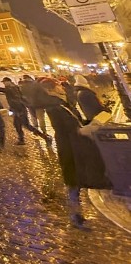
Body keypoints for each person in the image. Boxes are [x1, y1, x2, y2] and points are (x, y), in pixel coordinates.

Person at [40, 78, 111, 228]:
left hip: (75, 147)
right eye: (58, 85)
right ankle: (75, 216)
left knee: (76, 180)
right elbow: (68, 129)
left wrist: (88, 124)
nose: (62, 87)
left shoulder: (61, 103)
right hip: (70, 149)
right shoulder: (53, 107)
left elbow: (76, 123)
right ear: (51, 89)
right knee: (73, 182)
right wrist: (90, 127)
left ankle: (77, 215)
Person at [0, 77, 50, 145]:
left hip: (19, 110)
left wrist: (19, 111)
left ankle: (44, 137)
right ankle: (22, 139)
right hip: (17, 109)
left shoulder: (11, 88)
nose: (4, 83)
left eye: (4, 82)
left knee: (26, 125)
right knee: (18, 125)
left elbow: (16, 99)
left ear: (9, 81)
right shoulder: (13, 87)